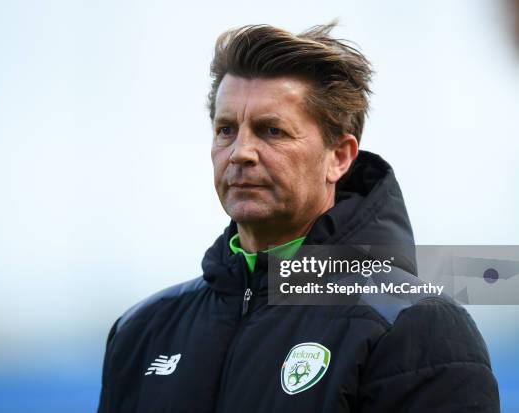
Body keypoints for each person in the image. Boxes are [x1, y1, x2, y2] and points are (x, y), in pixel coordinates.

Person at [97, 24, 500, 412]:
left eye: (271, 131)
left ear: (339, 157)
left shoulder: (413, 325)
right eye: (225, 130)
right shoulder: (143, 328)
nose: (240, 152)